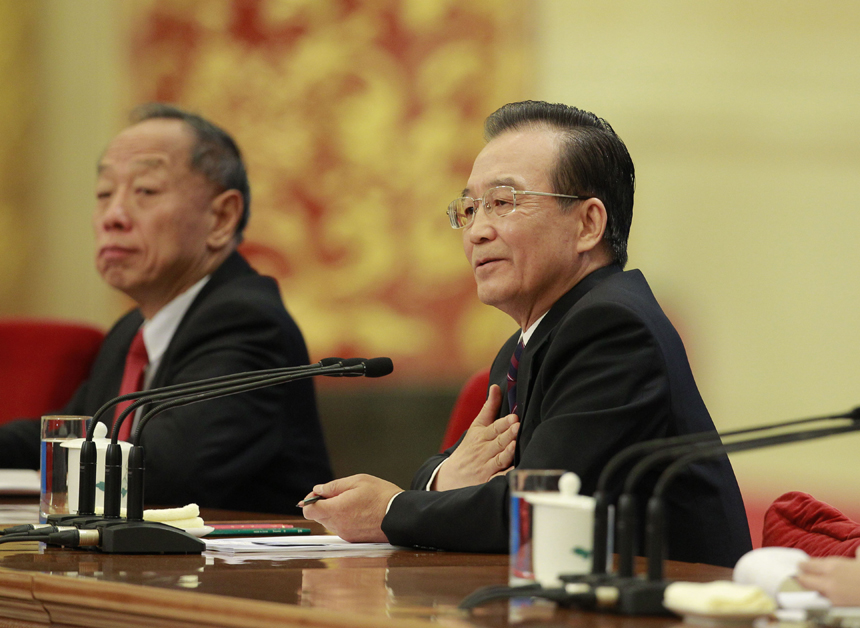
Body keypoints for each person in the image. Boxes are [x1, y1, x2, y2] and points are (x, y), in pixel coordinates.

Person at [303, 100, 751, 567]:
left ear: (588, 224)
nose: (476, 231)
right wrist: (445, 477)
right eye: (470, 208)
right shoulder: (530, 339)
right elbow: (455, 473)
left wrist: (389, 511)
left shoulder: (616, 331)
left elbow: (535, 508)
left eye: (502, 203)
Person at [0, 103, 332, 513]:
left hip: (241, 573)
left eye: (145, 191)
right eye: (104, 193)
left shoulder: (247, 322)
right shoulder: (130, 333)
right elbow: (72, 437)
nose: (113, 216)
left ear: (221, 218)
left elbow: (164, 474)